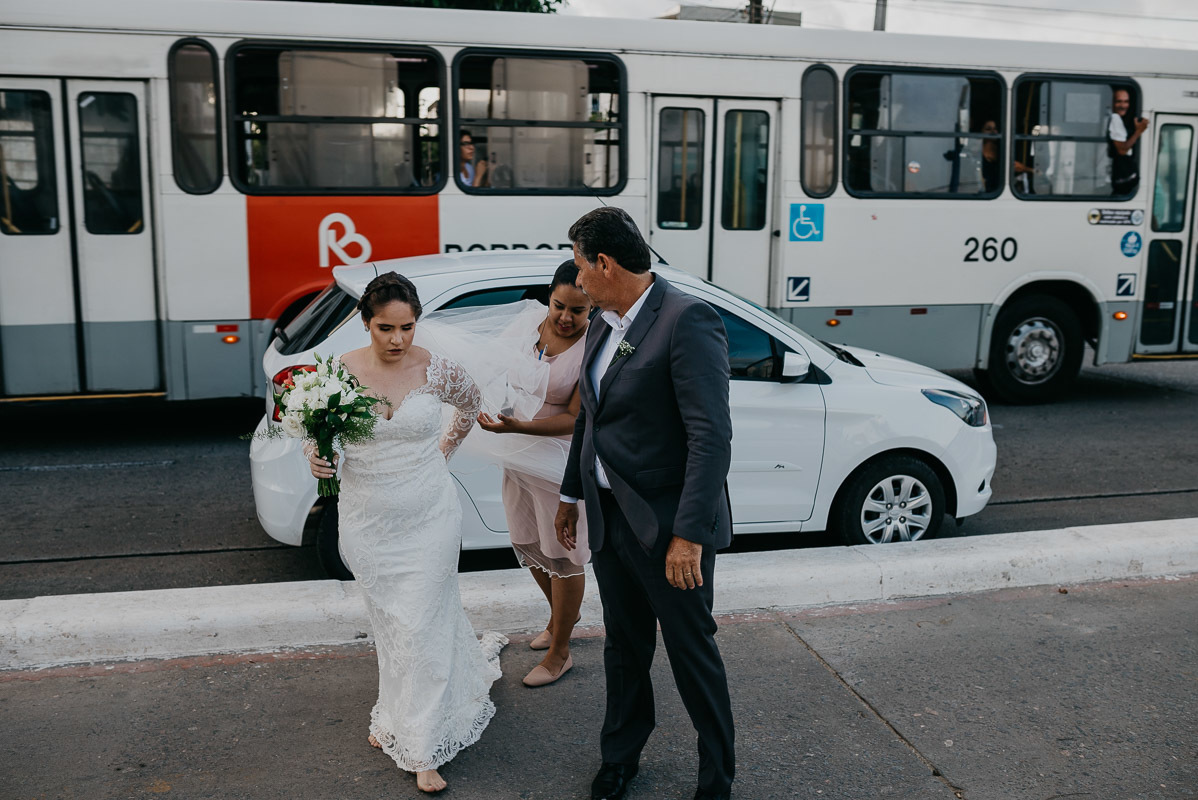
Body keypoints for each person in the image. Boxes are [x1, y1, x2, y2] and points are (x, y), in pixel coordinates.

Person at [554, 207, 735, 800]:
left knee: (691, 653)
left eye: (581, 265)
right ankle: (620, 758)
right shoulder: (604, 322)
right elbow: (593, 416)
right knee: (624, 649)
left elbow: (711, 437)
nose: (577, 279)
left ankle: (716, 778)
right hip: (611, 520)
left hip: (668, 529)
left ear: (604, 263)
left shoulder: (687, 320)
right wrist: (571, 493)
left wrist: (689, 534)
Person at [306, 272, 504, 794]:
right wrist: (319, 458)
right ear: (364, 323)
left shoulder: (434, 368)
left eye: (408, 327)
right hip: (368, 521)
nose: (397, 340)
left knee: (420, 623)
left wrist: (442, 451)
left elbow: (470, 402)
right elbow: (319, 434)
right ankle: (397, 709)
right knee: (395, 623)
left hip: (430, 515)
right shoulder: (337, 373)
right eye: (385, 328)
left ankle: (422, 746)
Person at [476, 261, 593, 688]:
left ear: (590, 310)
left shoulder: (592, 346)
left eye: (577, 311)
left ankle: (561, 653)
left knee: (564, 552)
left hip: (558, 462)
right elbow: (494, 369)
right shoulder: (528, 324)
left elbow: (575, 419)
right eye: (559, 305)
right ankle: (562, 617)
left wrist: (518, 426)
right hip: (517, 453)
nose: (565, 317)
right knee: (526, 540)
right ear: (549, 296)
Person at [1109, 88, 1148, 196]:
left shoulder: (1117, 119)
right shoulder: (1115, 118)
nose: (1123, 105)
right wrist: (1139, 131)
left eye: (1126, 102)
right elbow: (1122, 150)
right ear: (1112, 102)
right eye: (1119, 101)